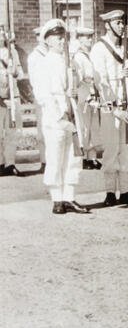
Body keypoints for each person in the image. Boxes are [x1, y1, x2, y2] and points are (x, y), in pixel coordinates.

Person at [91, 10, 128, 206]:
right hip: (111, 108)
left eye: (123, 22)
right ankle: (109, 193)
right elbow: (100, 82)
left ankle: (126, 191)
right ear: (108, 25)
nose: (121, 26)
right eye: (117, 22)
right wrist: (113, 108)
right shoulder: (99, 49)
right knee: (111, 151)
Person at [34, 19, 89, 214]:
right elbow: (43, 95)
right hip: (56, 117)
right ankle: (57, 199)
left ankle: (69, 197)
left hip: (73, 112)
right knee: (55, 157)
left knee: (73, 158)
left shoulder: (71, 62)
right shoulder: (44, 63)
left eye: (63, 38)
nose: (62, 42)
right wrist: (60, 117)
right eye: (57, 39)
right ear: (47, 41)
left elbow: (84, 83)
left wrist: (78, 95)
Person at [73, 27, 102, 170]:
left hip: (94, 96)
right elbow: (79, 81)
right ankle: (83, 158)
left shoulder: (90, 55)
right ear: (79, 39)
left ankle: (92, 157)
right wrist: (87, 97)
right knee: (84, 127)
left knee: (94, 128)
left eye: (91, 37)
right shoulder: (78, 57)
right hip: (84, 97)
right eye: (86, 37)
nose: (89, 40)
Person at [0, 28, 24, 176]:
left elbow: (18, 74)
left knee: (12, 132)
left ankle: (10, 163)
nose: (1, 36)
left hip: (12, 97)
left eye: (2, 34)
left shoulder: (12, 52)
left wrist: (11, 65)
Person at [27, 27, 47, 173]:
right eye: (41, 36)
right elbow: (34, 80)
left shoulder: (53, 54)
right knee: (43, 131)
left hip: (54, 98)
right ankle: (44, 161)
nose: (44, 38)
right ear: (37, 38)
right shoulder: (34, 56)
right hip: (42, 98)